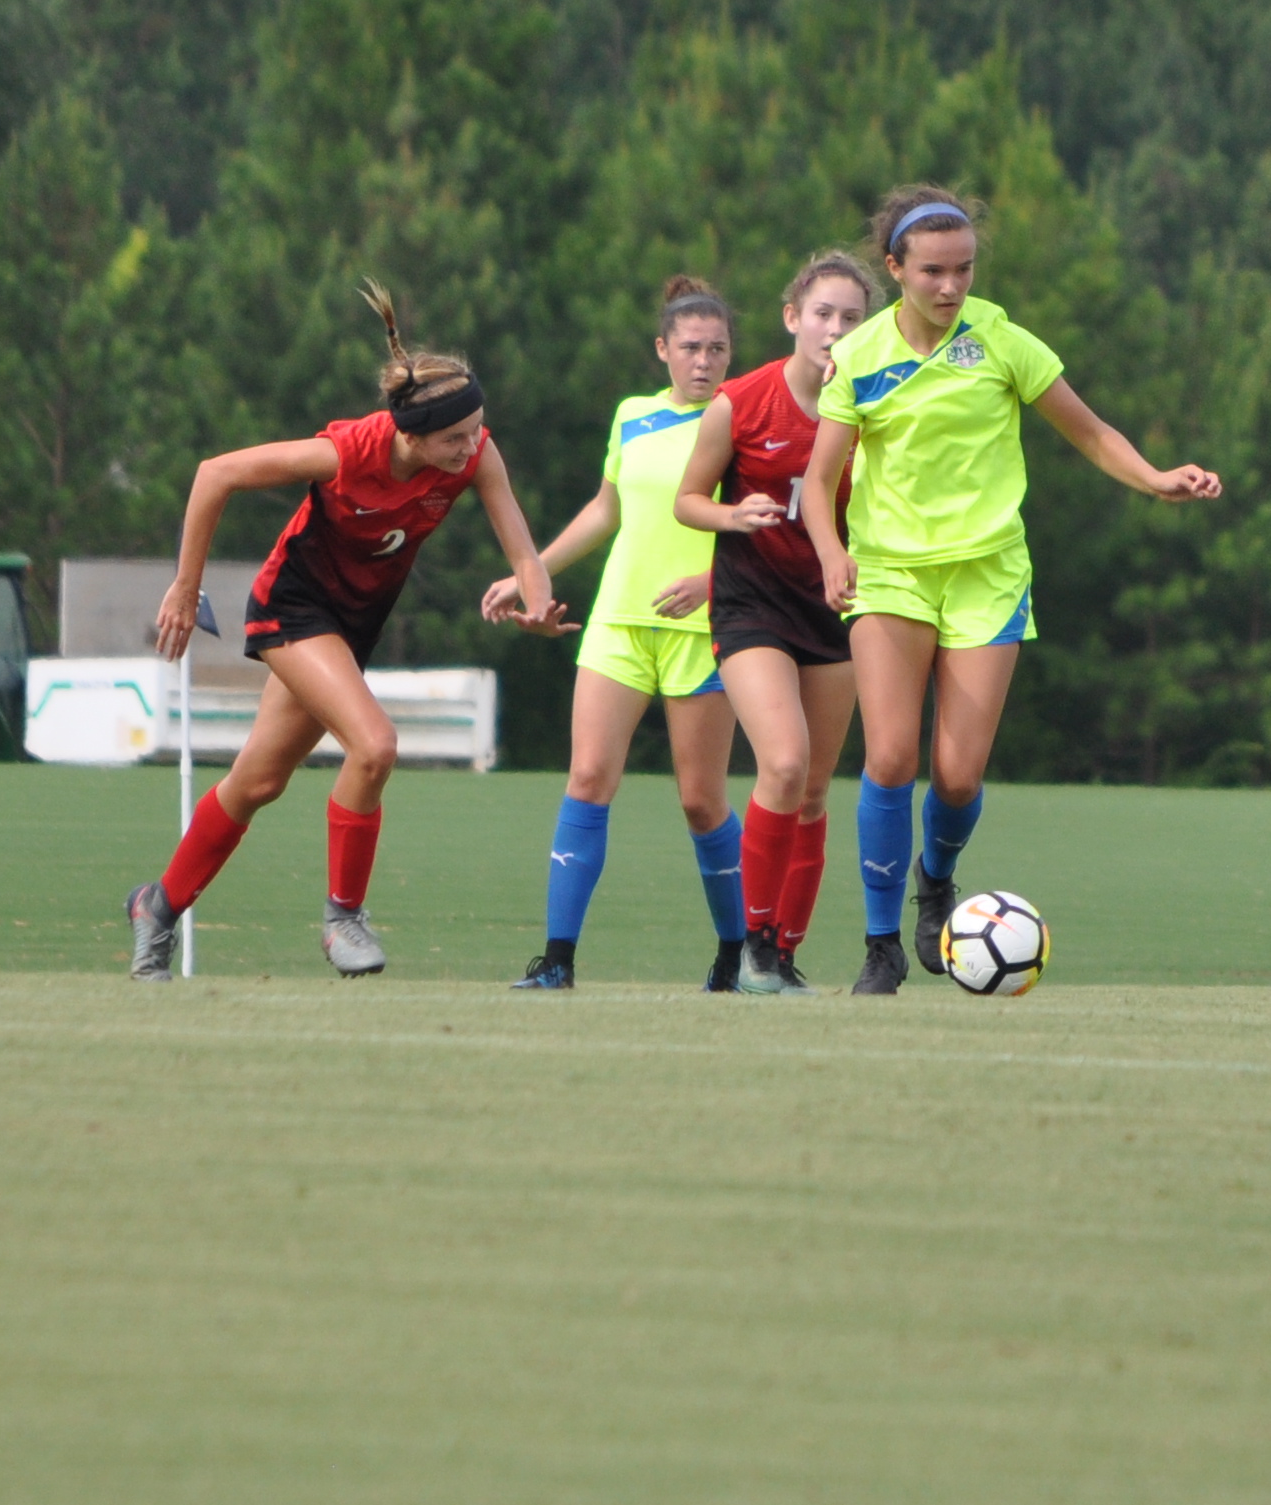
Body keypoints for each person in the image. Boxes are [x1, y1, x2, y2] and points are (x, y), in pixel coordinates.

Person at [798, 187, 1221, 994]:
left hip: (989, 574)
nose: (951, 287)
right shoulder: (859, 357)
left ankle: (938, 885)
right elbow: (820, 483)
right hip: (890, 574)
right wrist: (830, 553)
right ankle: (881, 944)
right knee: (889, 757)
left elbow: (1090, 431)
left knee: (956, 777)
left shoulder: (998, 339)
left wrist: (1155, 479)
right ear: (894, 270)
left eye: (962, 269)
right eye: (931, 271)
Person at [133, 285, 565, 981]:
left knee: (258, 781)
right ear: (410, 435)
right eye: (454, 438)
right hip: (294, 610)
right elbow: (215, 475)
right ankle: (343, 917)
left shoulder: (475, 455)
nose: (470, 447)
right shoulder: (344, 452)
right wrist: (186, 587)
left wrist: (539, 605)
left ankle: (156, 906)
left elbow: (522, 552)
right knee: (376, 744)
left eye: (475, 430)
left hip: (350, 626)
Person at [500, 277, 749, 992]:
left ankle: (736, 957)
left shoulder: (743, 419)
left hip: (703, 629)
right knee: (586, 778)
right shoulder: (633, 416)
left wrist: (714, 585)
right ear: (662, 350)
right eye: (691, 348)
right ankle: (556, 962)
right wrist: (531, 571)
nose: (704, 362)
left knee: (702, 800)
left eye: (718, 349)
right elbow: (606, 509)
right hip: (618, 622)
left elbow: (768, 525)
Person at [671, 249, 878, 994]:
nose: (835, 329)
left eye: (852, 318)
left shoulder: (877, 406)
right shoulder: (743, 400)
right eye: (822, 313)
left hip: (835, 611)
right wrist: (734, 515)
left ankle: (784, 955)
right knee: (783, 763)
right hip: (752, 604)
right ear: (793, 318)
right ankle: (753, 944)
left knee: (816, 790)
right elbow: (687, 499)